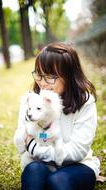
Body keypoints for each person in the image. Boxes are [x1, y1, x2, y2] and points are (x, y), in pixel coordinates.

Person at [14, 42, 100, 190]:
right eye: (39, 75)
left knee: (58, 181)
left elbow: (77, 151)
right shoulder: (31, 101)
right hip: (39, 163)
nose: (42, 83)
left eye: (50, 77)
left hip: (78, 165)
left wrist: (35, 148)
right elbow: (24, 138)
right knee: (34, 173)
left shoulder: (85, 102)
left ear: (69, 76)